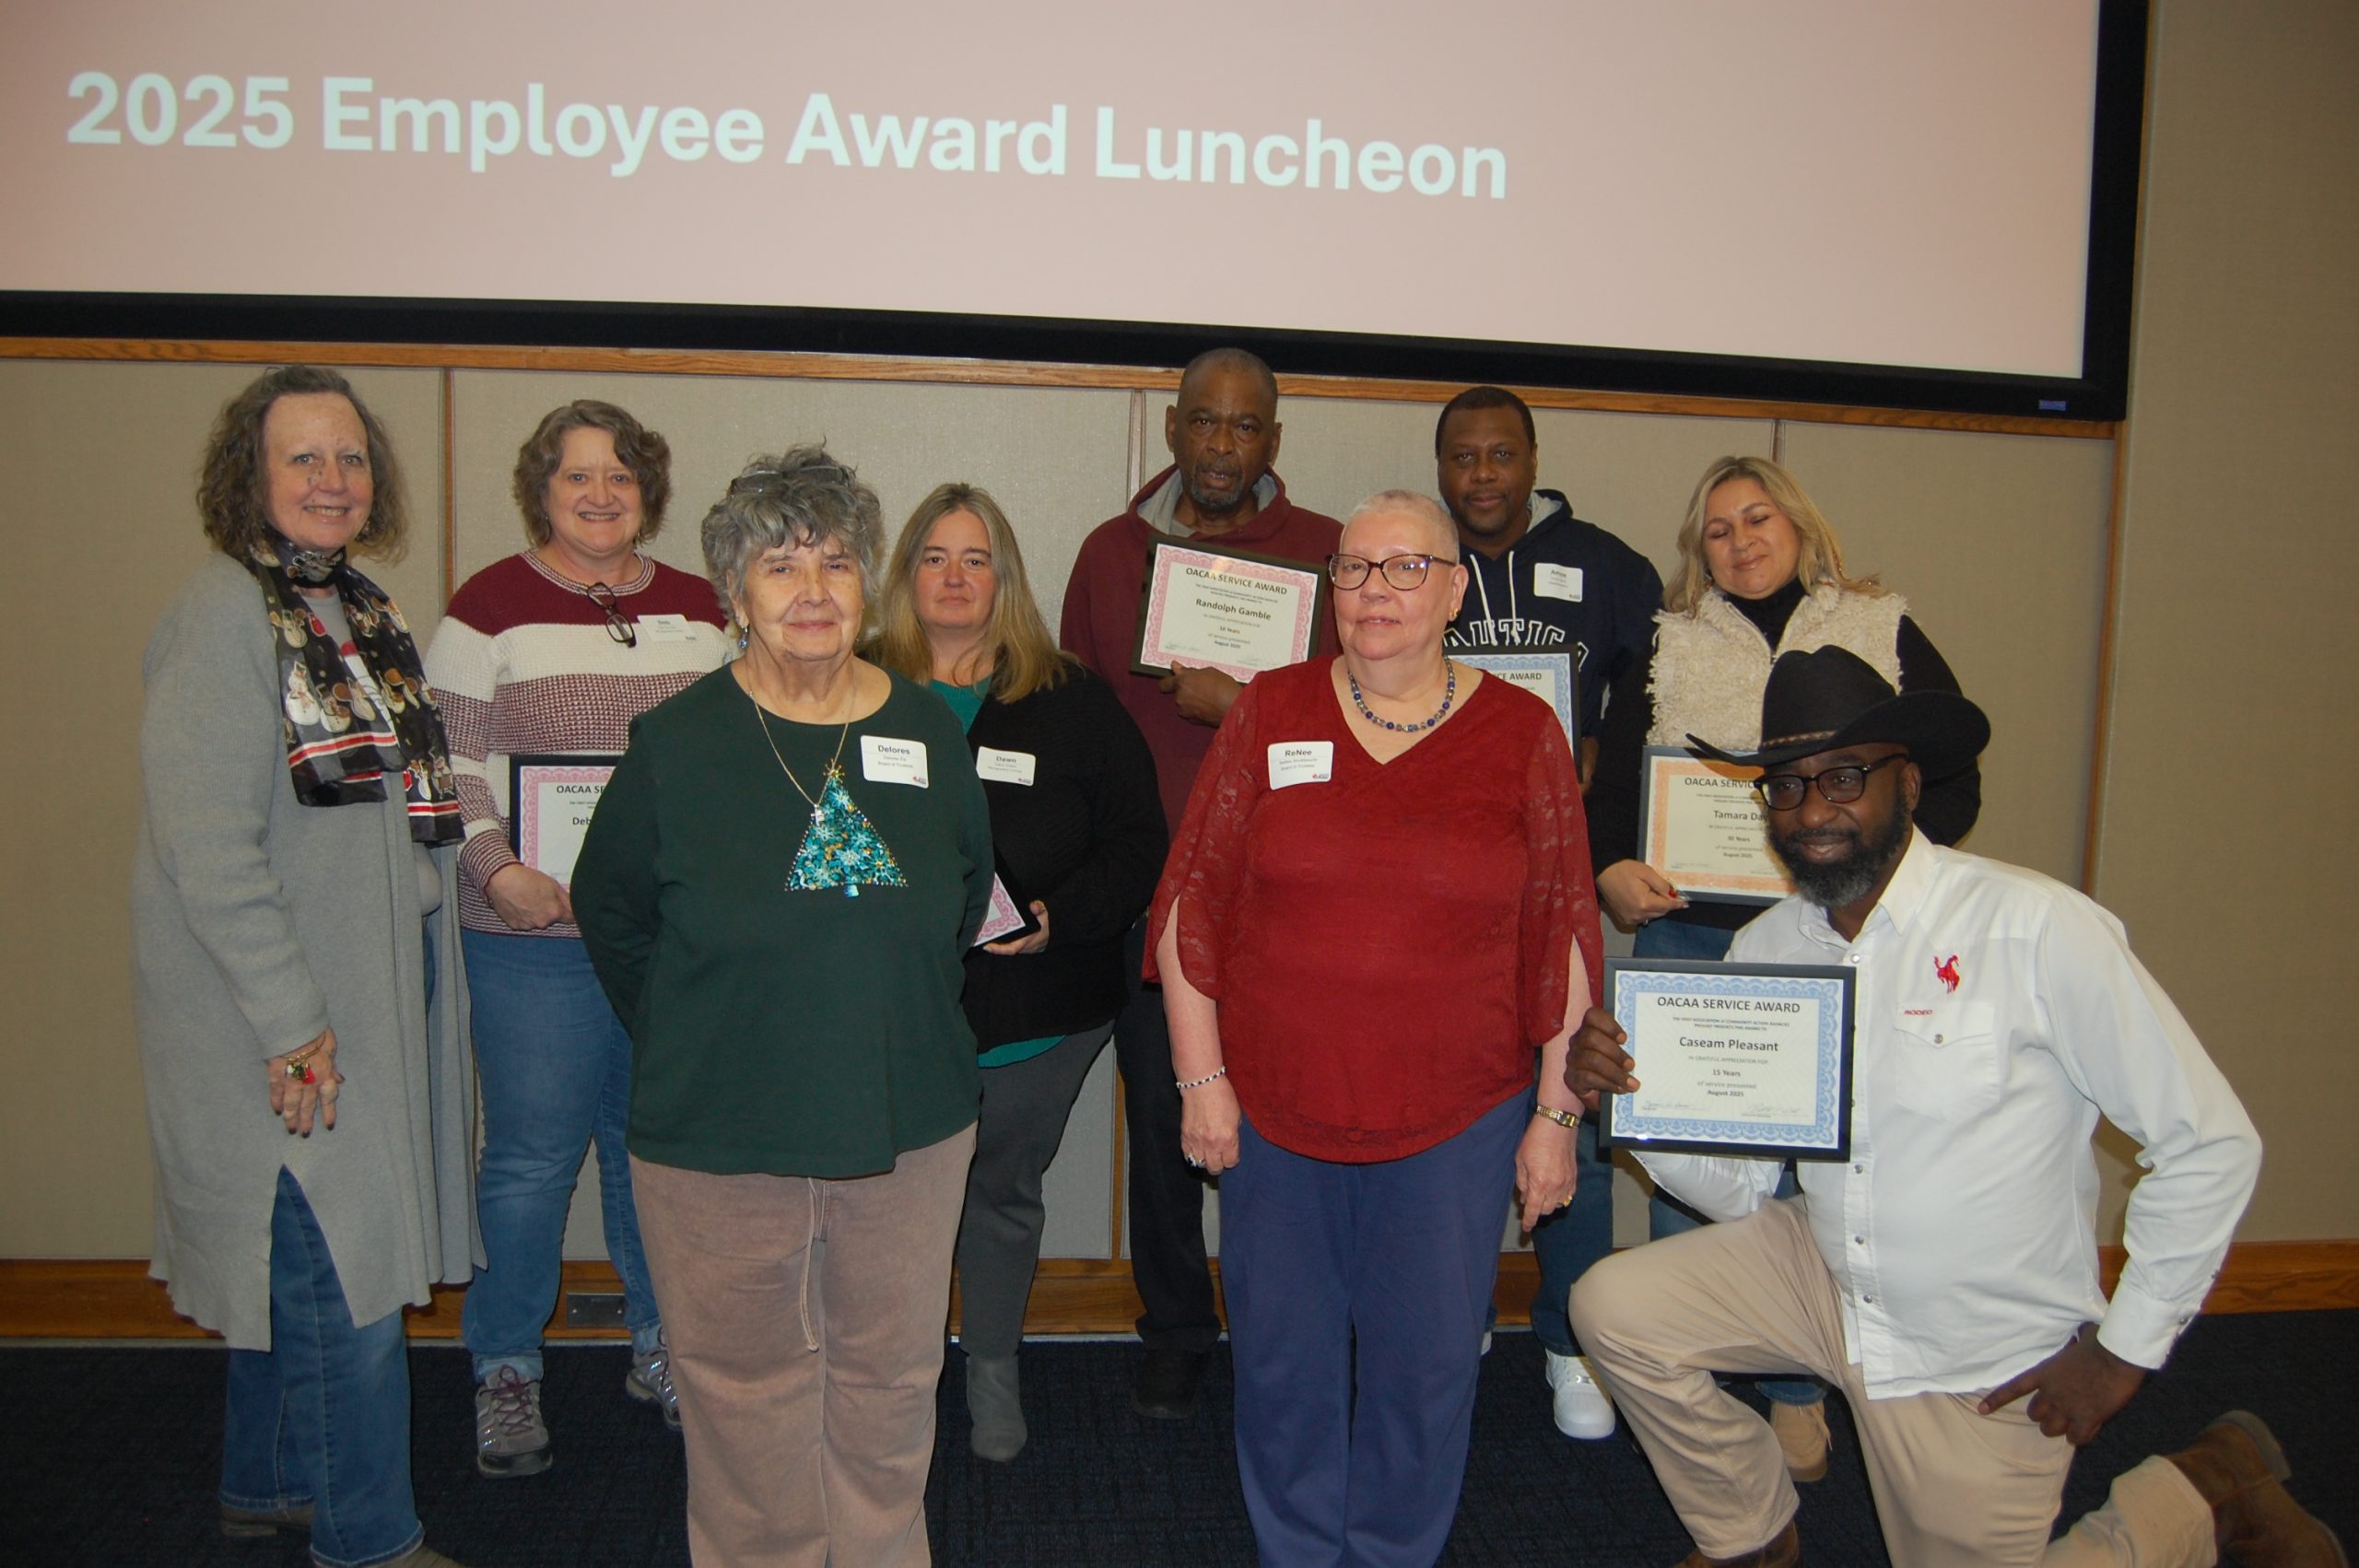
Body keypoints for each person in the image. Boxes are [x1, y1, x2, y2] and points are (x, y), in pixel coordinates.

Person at [1566, 648, 2338, 1568]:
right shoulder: (1774, 945)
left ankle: (2197, 1496)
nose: (1810, 812)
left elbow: (2209, 1143)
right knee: (1613, 1304)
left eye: (1842, 778)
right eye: (1784, 787)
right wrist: (1642, 1101)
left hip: (1971, 1351)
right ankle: (1750, 1538)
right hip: (1820, 1269)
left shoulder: (2035, 929)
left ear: (1910, 783)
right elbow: (1735, 1192)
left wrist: (2122, 1351)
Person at [1150, 490, 1602, 1565]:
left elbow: (1566, 931)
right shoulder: (1268, 709)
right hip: (1276, 1112)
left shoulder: (1522, 731)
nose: (1375, 591)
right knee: (1280, 1362)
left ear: (1453, 590)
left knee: (1427, 1365)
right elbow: (1188, 909)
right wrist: (1200, 1080)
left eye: (1406, 568)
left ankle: (1395, 1548)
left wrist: (1553, 1114)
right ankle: (1298, 1546)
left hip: (1456, 1120)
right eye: (1354, 568)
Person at [571, 447, 992, 1565]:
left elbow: (954, 910)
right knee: (744, 1387)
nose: (811, 590)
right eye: (778, 566)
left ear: (868, 586)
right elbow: (610, 915)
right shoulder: (678, 746)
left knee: (891, 1374)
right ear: (732, 596)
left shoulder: (927, 732)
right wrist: (697, 1035)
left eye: (837, 562)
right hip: (719, 1128)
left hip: (906, 1118)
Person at [133, 365, 476, 1568]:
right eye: (303, 459)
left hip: (365, 1002)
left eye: (350, 457)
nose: (334, 481)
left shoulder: (353, 610)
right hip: (280, 1022)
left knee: (301, 1266)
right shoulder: (227, 612)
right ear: (251, 478)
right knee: (350, 1284)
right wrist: (293, 1023)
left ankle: (269, 1480)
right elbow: (207, 849)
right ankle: (367, 1537)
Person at [1582, 453, 1982, 1473]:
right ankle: (1708, 1371)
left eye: (1757, 517)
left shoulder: (1876, 622)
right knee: (1693, 1168)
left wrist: (1886, 879)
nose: (1740, 540)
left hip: (1844, 939)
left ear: (1798, 524)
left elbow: (1951, 781)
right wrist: (1612, 870)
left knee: (1841, 1169)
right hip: (1697, 941)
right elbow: (1607, 799)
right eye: (1716, 529)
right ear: (1697, 552)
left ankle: (1809, 1384)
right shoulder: (1668, 642)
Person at [424, 400, 732, 1476]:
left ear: (646, 486)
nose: (600, 495)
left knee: (654, 1155)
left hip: (662, 942)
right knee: (530, 1159)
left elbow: (732, 761)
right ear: (540, 490)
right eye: (575, 477)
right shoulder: (487, 609)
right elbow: (444, 765)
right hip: (531, 932)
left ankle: (660, 1344)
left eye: (619, 475)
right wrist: (495, 869)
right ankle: (505, 1365)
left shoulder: (704, 608)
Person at [1060, 346, 1343, 1420]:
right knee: (1170, 1131)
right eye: (1204, 424)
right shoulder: (1110, 552)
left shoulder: (1327, 553)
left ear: (1272, 441)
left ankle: (1287, 1325)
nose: (1222, 446)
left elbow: (1368, 721)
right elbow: (1076, 722)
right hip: (1155, 901)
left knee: (1288, 1132)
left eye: (1245, 427)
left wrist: (1245, 706)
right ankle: (1176, 1326)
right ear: (1173, 431)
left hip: (1295, 903)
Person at [873, 483, 1167, 1462]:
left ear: (1006, 577)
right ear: (905, 573)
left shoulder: (1071, 697)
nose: (955, 578)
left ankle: (992, 1362)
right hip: (888, 1012)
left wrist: (1060, 918)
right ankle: (896, 1374)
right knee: (888, 1202)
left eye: (976, 558)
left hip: (1040, 1010)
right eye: (934, 557)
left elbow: (1137, 843)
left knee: (1001, 1188)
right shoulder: (852, 684)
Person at [1433, 383, 1664, 1441]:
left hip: (1556, 883)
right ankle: (1454, 1310)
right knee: (1450, 1108)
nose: (1481, 476)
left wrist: (1592, 775)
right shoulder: (1412, 565)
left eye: (1499, 455)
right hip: (1440, 889)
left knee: (1566, 1093)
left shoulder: (1610, 567)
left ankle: (1573, 1339)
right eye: (1462, 458)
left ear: (1532, 461)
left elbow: (1649, 718)